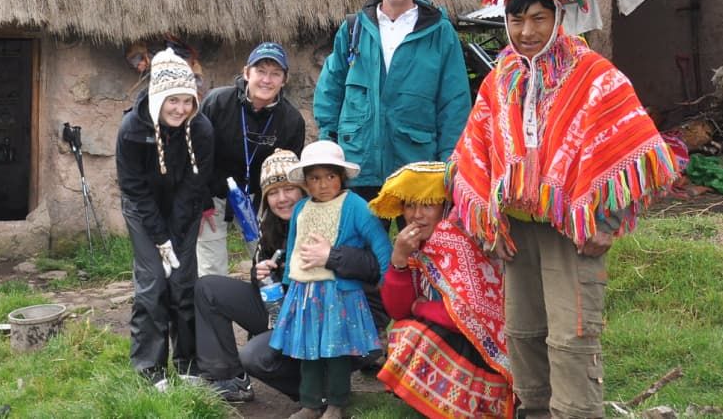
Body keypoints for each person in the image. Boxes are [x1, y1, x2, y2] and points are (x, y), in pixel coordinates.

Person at [449, 0, 679, 419]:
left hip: (573, 236)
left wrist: (607, 221)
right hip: (518, 234)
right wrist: (489, 221)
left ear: (558, 18)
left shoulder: (594, 76)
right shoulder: (499, 82)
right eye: (517, 20)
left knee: (571, 339)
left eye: (538, 18)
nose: (527, 30)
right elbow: (475, 151)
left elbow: (636, 147)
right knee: (524, 336)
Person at [192, 149, 383, 403]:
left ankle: (320, 392)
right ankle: (229, 379)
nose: (281, 199)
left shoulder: (344, 212)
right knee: (209, 288)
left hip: (346, 319)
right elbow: (268, 279)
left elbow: (375, 267)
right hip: (292, 310)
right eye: (272, 192)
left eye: (289, 189)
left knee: (255, 355)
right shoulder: (270, 223)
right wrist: (260, 275)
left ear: (304, 188)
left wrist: (331, 256)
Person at [313, 0, 471, 205]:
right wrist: (330, 146)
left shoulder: (440, 33)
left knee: (419, 244)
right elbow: (330, 88)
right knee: (359, 247)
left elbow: (454, 101)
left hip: (416, 162)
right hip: (360, 163)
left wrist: (448, 159)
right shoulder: (354, 28)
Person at [371, 162, 512, 419]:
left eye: (427, 205)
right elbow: (396, 310)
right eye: (410, 205)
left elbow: (464, 317)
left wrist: (419, 307)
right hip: (452, 336)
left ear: (446, 207)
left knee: (414, 333)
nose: (416, 215)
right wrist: (399, 259)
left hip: (484, 349)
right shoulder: (416, 246)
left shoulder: (460, 242)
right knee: (403, 330)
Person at [270, 141, 392, 419]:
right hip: (304, 292)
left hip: (340, 294)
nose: (323, 184)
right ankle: (310, 404)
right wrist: (288, 284)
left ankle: (336, 403)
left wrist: (387, 281)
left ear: (341, 177)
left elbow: (379, 243)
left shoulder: (356, 206)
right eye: (314, 178)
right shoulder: (301, 208)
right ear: (306, 182)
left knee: (337, 351)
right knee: (307, 351)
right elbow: (293, 247)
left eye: (330, 176)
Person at [115, 48, 216, 384]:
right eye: (173, 101)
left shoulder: (200, 130)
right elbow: (134, 188)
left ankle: (189, 364)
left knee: (183, 284)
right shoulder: (131, 129)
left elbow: (194, 186)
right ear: (159, 97)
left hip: (182, 212)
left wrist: (174, 234)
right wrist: (159, 237)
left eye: (187, 101)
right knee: (153, 285)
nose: (180, 109)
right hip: (144, 212)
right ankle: (149, 369)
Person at [197, 41, 307, 277]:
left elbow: (289, 175)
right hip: (212, 194)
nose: (267, 80)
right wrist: (200, 200)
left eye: (275, 74)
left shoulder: (291, 121)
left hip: (258, 198)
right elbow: (195, 154)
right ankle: (215, 310)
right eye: (261, 71)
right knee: (211, 267)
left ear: (284, 80)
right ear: (247, 72)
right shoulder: (217, 103)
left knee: (271, 259)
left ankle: (274, 310)